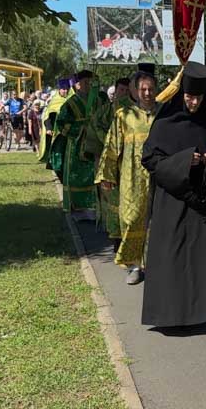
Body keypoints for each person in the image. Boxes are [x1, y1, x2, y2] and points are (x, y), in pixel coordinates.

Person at [141, 63, 206, 321]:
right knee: (170, 256)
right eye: (189, 97)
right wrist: (186, 160)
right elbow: (150, 160)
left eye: (198, 97)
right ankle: (167, 314)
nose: (194, 102)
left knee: (196, 258)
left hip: (201, 202)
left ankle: (196, 313)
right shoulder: (165, 122)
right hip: (171, 199)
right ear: (181, 94)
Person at [99, 72, 158, 285]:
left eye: (150, 89)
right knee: (131, 219)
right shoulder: (123, 115)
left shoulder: (163, 114)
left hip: (158, 177)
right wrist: (106, 175)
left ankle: (153, 264)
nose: (147, 93)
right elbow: (112, 146)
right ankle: (133, 266)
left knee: (156, 221)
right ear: (134, 91)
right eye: (143, 89)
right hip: (131, 177)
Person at [52, 71, 100, 218]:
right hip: (75, 147)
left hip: (94, 143)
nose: (88, 86)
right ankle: (77, 208)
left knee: (93, 174)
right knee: (76, 176)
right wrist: (80, 129)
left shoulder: (97, 101)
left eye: (90, 83)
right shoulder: (70, 103)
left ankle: (92, 208)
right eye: (85, 83)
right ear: (77, 85)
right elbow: (61, 124)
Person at [96, 78, 131, 239]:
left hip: (128, 159)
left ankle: (125, 226)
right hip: (109, 156)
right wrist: (108, 141)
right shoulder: (105, 110)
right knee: (109, 194)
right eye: (121, 90)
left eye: (126, 90)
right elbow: (96, 126)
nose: (123, 93)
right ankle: (111, 227)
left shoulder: (133, 112)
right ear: (115, 91)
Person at [40, 79, 72, 173]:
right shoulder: (54, 101)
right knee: (58, 152)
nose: (65, 91)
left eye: (67, 89)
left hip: (70, 131)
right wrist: (49, 128)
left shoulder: (72, 99)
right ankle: (59, 171)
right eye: (63, 89)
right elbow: (47, 116)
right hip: (57, 132)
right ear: (59, 89)